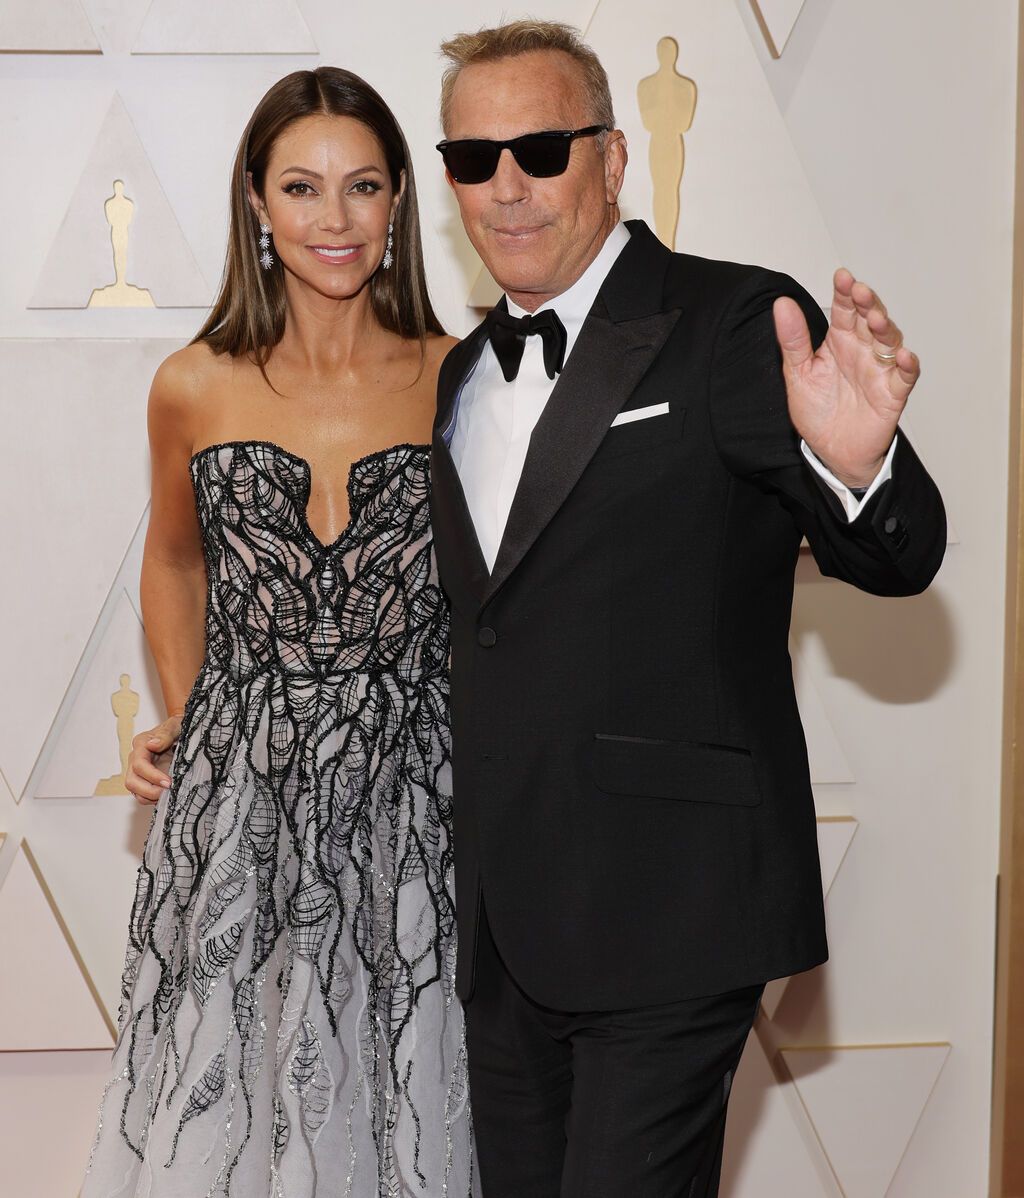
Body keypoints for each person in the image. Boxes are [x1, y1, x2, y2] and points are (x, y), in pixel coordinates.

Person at [430, 19, 945, 1198]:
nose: (505, 189)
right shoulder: (463, 374)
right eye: (471, 159)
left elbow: (894, 559)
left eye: (542, 149)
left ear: (613, 159)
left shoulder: (728, 324)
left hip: (672, 905)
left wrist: (864, 468)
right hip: (507, 924)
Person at [84, 67, 474, 1198]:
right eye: (301, 188)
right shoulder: (193, 385)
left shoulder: (463, 379)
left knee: (401, 1067)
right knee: (243, 1082)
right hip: (240, 792)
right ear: (256, 203)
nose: (334, 220)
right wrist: (190, 705)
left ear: (401, 198)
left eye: (360, 186)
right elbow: (172, 557)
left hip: (419, 791)